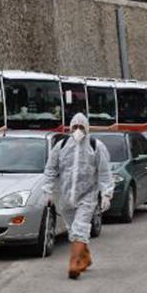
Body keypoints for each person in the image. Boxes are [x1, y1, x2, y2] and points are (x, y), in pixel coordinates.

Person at [43, 113, 114, 279]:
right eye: (75, 127)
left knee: (80, 228)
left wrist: (106, 193)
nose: (78, 130)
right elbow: (50, 169)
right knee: (73, 230)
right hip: (65, 196)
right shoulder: (61, 146)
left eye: (81, 127)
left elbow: (104, 172)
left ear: (87, 128)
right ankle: (86, 257)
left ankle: (74, 264)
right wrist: (47, 190)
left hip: (87, 195)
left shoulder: (96, 146)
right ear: (70, 128)